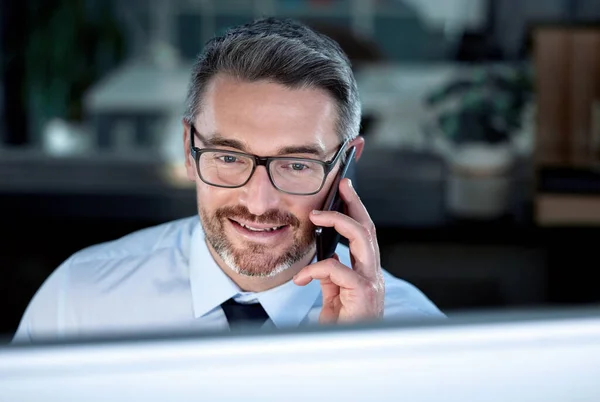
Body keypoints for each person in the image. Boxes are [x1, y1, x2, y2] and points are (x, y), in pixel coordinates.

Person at [13, 17, 443, 343]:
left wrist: (361, 365)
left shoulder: (414, 335)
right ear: (188, 148)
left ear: (347, 164)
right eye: (228, 157)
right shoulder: (77, 303)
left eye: (296, 164)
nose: (259, 203)